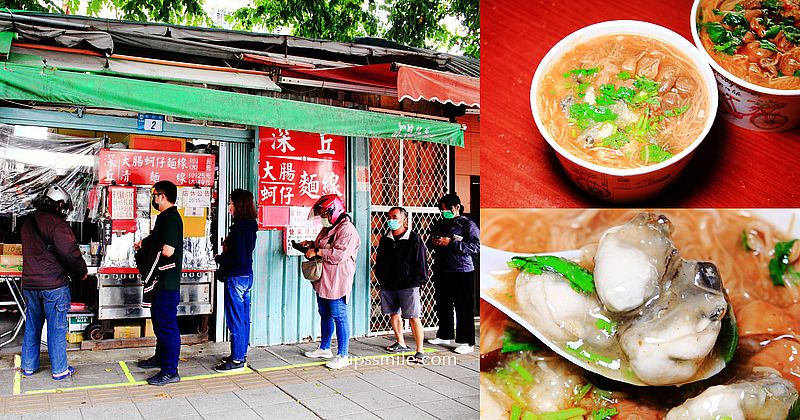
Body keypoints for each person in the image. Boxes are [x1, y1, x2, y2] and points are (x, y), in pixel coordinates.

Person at [19, 185, 87, 380]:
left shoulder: (27, 222)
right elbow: (70, 254)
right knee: (57, 328)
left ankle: (28, 367)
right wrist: (81, 271)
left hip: (30, 284)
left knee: (33, 325)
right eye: (63, 206)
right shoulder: (57, 225)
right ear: (59, 204)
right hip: (53, 286)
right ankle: (59, 369)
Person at [301, 195, 360, 369]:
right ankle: (325, 348)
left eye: (325, 215)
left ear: (334, 212)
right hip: (324, 278)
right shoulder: (329, 228)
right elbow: (322, 244)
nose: (323, 219)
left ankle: (343, 355)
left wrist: (317, 251)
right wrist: (310, 244)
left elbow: (339, 254)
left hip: (337, 280)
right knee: (324, 313)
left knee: (339, 315)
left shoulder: (347, 230)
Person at [134, 180, 183, 386]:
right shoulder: (163, 218)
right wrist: (144, 243)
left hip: (167, 282)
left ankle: (170, 370)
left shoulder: (170, 218)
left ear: (162, 196)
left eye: (155, 195)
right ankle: (160, 358)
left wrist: (147, 249)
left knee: (167, 326)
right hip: (160, 282)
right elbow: (157, 240)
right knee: (159, 323)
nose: (154, 199)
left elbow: (168, 250)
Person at [374, 206, 428, 363]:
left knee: (413, 317)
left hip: (409, 285)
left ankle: (420, 351)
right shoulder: (386, 239)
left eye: (395, 217)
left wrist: (416, 282)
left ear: (404, 219)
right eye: (389, 217)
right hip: (389, 284)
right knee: (393, 314)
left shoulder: (414, 238)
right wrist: (381, 278)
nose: (391, 220)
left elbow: (421, 264)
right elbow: (380, 261)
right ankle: (401, 342)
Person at [427, 193, 480, 354]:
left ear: (457, 207)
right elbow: (430, 241)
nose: (444, 213)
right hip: (442, 268)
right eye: (442, 210)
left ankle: (467, 341)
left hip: (462, 270)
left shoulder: (467, 224)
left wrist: (452, 242)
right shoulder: (440, 223)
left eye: (447, 209)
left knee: (463, 306)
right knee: (443, 303)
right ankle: (444, 334)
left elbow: (476, 246)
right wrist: (435, 242)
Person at [214, 189, 258, 372]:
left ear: (238, 205)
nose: (229, 207)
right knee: (244, 317)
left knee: (236, 319)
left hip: (237, 277)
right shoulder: (250, 225)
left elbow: (237, 257)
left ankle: (238, 360)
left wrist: (220, 258)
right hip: (247, 275)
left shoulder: (240, 229)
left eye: (231, 203)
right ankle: (240, 354)